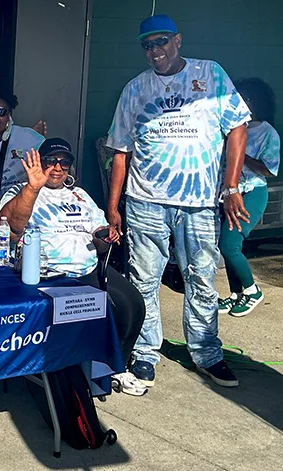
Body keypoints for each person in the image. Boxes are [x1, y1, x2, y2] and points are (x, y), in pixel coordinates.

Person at [105, 14, 251, 388]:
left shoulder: (211, 74)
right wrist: (112, 207)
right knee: (143, 281)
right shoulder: (135, 89)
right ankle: (144, 353)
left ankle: (206, 353)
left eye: (162, 42)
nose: (156, 51)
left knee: (201, 279)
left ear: (178, 41)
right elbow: (120, 152)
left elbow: (237, 125)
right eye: (148, 45)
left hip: (199, 202)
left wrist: (231, 187)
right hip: (145, 201)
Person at [0, 139, 148, 396]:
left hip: (89, 267)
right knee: (86, 313)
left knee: (133, 305)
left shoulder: (80, 195)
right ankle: (68, 377)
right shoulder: (20, 191)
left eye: (64, 161)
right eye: (51, 161)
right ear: (40, 163)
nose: (57, 167)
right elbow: (12, 227)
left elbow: (99, 238)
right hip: (50, 273)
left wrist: (105, 236)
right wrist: (32, 188)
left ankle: (115, 367)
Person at [218, 78, 278, 317]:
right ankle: (235, 295)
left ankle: (252, 291)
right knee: (229, 246)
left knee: (229, 245)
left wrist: (240, 156)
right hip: (228, 196)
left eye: (244, 98)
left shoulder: (266, 132)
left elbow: (269, 169)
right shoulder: (232, 129)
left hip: (252, 193)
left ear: (256, 102)